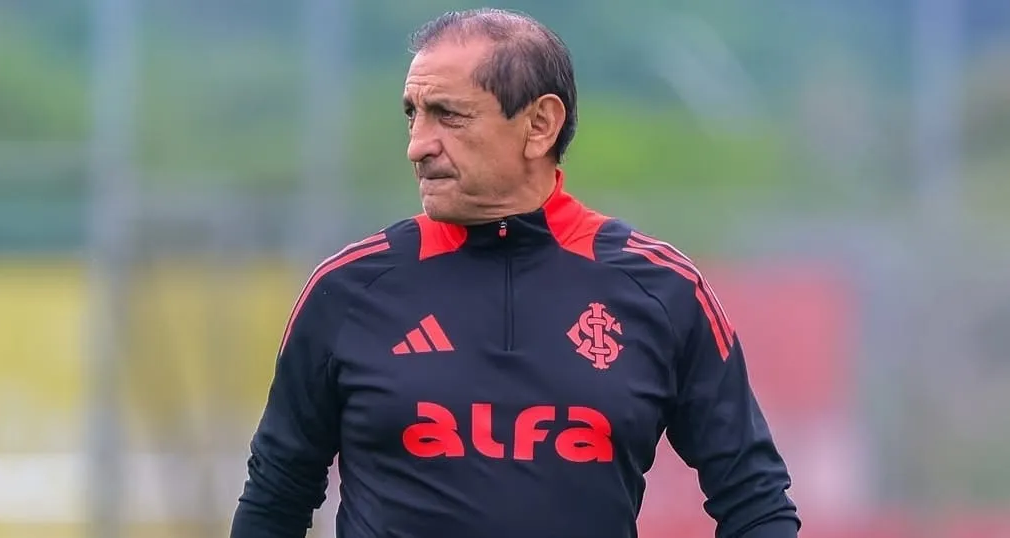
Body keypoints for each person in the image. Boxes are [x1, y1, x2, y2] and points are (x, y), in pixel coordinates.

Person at [230, 8, 800, 538]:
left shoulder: (661, 289)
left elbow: (754, 501)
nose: (418, 146)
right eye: (413, 114)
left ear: (540, 125)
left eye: (448, 115)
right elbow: (276, 495)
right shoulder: (348, 287)